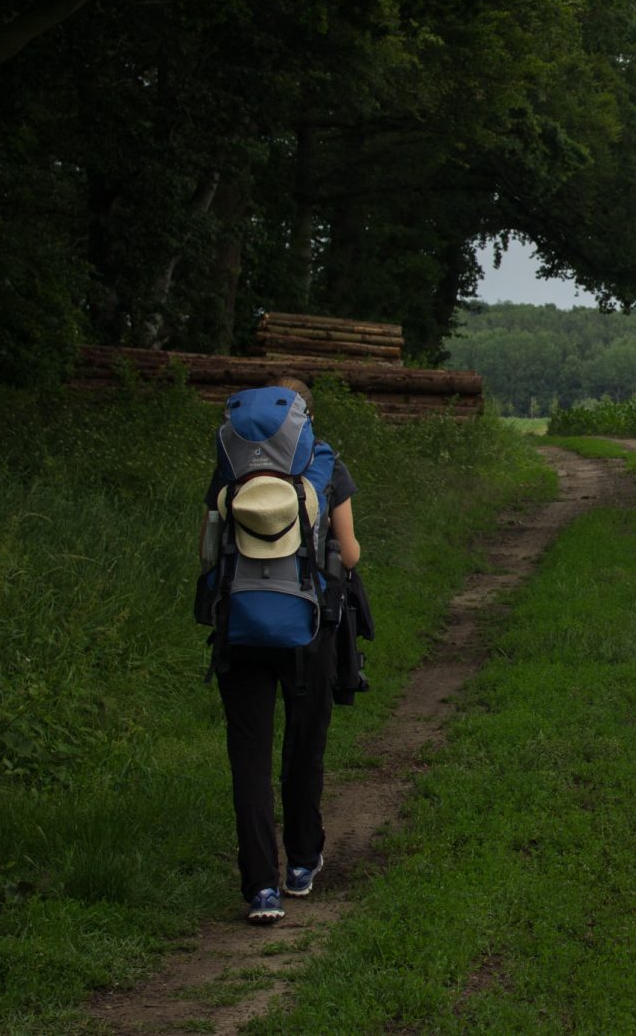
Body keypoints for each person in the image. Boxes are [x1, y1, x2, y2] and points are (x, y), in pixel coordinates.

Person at [200, 375, 362, 924]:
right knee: (304, 742)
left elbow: (208, 551)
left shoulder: (232, 468)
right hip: (308, 625)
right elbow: (353, 554)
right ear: (306, 420)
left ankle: (260, 889)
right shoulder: (324, 467)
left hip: (240, 626)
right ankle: (302, 861)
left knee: (248, 755)